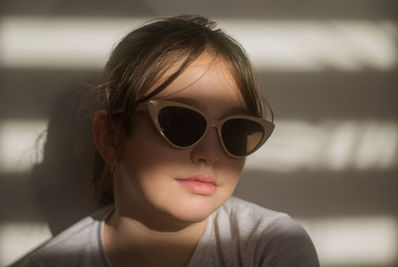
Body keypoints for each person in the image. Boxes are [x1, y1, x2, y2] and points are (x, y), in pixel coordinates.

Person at [16, 15, 319, 267]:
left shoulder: (272, 247)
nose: (209, 154)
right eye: (180, 122)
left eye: (235, 130)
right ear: (110, 137)